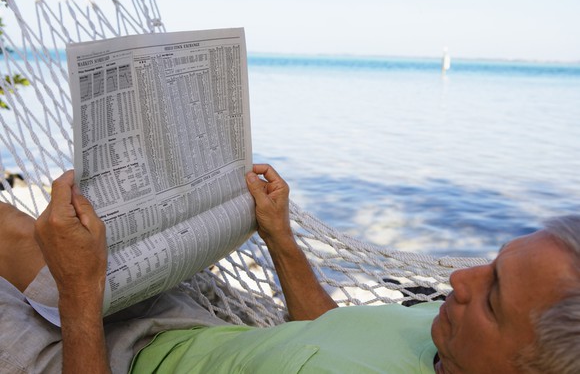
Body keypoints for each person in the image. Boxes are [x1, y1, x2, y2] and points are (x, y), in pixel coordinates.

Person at [0, 164, 579, 373]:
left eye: (492, 298)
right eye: (491, 264)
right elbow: (332, 334)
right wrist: (280, 237)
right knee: (18, 230)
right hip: (186, 328)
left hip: (101, 360)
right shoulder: (448, 333)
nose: (459, 280)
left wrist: (80, 295)